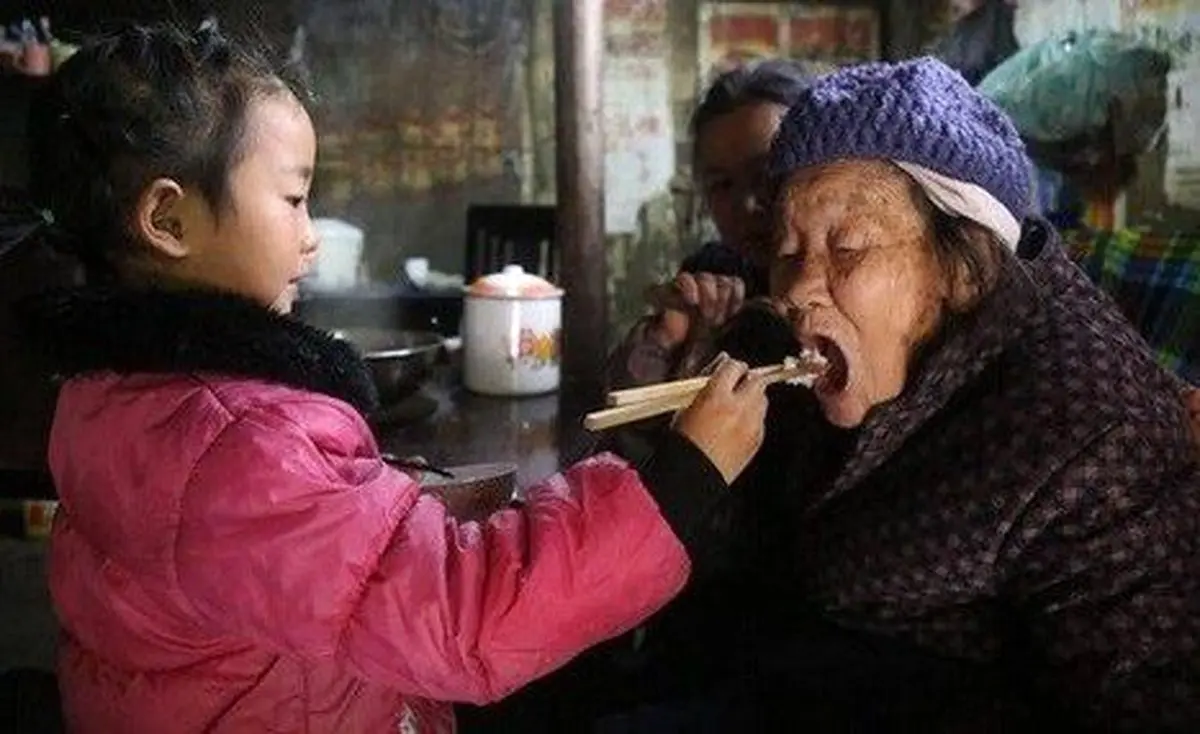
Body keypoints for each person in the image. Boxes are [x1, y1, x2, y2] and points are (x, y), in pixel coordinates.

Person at [0, 23, 772, 734]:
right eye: (294, 199)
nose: (310, 238)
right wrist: (685, 480)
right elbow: (464, 617)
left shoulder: (113, 390)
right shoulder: (236, 445)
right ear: (169, 221)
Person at [650, 57, 1199, 731]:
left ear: (963, 266)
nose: (798, 289)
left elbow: (1143, 700)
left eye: (848, 249)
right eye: (786, 252)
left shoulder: (1090, 439)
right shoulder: (825, 350)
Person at [607, 59, 815, 388]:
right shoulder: (712, 277)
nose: (747, 204)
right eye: (722, 185)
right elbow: (622, 404)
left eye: (766, 175)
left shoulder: (853, 284)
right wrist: (667, 340)